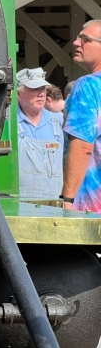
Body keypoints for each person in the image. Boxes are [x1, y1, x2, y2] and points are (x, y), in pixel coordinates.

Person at [62, 20, 101, 211]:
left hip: (92, 209)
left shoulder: (87, 86)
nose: (76, 43)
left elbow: (83, 146)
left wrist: (67, 200)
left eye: (85, 39)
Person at [16, 68, 64, 198]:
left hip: (54, 204)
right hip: (20, 204)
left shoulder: (59, 121)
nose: (41, 94)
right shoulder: (9, 125)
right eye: (34, 89)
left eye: (43, 89)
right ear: (18, 94)